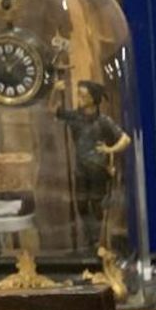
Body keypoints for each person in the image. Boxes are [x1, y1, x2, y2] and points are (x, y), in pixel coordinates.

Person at [53, 80, 130, 253]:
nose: (79, 98)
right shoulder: (75, 117)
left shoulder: (103, 121)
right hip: (80, 168)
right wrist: (55, 92)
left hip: (97, 168)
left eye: (83, 95)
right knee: (81, 204)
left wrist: (110, 149)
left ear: (93, 99)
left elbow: (125, 139)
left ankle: (99, 240)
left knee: (97, 204)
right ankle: (91, 238)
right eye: (79, 94)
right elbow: (54, 111)